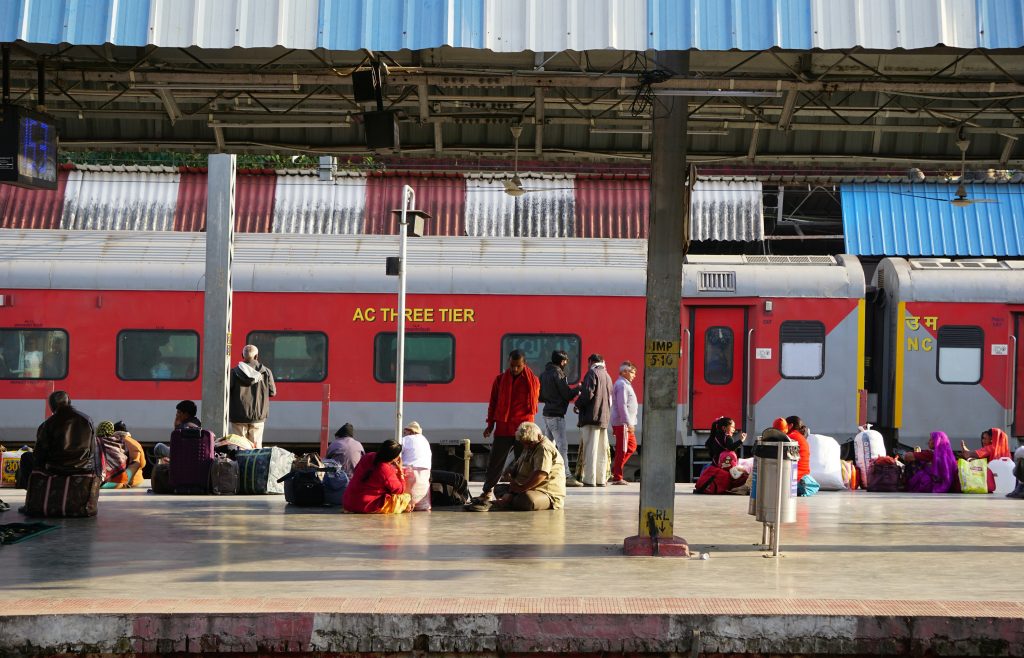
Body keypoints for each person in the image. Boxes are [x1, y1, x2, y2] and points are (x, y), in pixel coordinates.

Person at [475, 350, 540, 505]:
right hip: (503, 427)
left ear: (524, 364)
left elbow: (533, 406)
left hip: (523, 430)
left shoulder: (533, 381)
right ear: (508, 363)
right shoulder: (499, 380)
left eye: (518, 366)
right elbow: (493, 404)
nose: (515, 369)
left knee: (523, 463)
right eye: (512, 365)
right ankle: (487, 491)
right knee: (495, 461)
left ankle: (519, 492)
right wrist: (490, 424)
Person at [470, 422, 565, 512]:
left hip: (545, 492)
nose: (527, 446)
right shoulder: (529, 445)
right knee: (498, 488)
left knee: (527, 500)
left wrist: (521, 489)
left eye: (529, 443)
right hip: (525, 488)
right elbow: (517, 466)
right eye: (524, 443)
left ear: (539, 436)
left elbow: (541, 474)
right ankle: (508, 499)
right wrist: (510, 472)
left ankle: (506, 501)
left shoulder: (543, 448)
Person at [538, 350, 581, 487]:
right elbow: (567, 394)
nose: (566, 364)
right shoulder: (558, 373)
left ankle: (546, 471)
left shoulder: (544, 374)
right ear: (562, 361)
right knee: (562, 446)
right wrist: (578, 388)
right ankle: (566, 475)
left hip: (547, 413)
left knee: (549, 445)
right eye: (566, 361)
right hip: (556, 414)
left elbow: (540, 396)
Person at [31, 391, 96, 475]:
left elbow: (40, 452)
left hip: (56, 469)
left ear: (52, 406)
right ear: (69, 402)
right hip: (83, 468)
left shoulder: (48, 423)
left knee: (26, 457)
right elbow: (93, 449)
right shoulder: (87, 420)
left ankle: (34, 487)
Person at [342, 439, 411, 514]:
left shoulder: (368, 456)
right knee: (405, 497)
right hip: (364, 505)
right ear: (394, 458)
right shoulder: (385, 469)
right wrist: (400, 471)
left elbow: (356, 471)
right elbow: (400, 490)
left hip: (348, 502)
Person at [575, 353, 613, 487]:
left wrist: (577, 404)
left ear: (591, 362)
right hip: (603, 418)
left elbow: (587, 394)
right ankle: (601, 479)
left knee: (590, 449)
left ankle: (589, 480)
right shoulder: (607, 376)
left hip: (591, 417)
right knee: (601, 450)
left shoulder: (592, 373)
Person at [229, 344, 276, 448]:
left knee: (239, 447)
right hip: (258, 416)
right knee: (255, 448)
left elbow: (228, 391)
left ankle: (240, 464)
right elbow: (272, 392)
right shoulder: (266, 372)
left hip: (238, 416)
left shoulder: (233, 373)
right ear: (256, 356)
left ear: (242, 355)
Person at [610, 360, 639, 485]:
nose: (634, 375)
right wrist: (628, 423)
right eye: (632, 372)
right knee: (622, 449)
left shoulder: (625, 384)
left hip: (625, 423)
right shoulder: (622, 385)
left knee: (631, 446)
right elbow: (622, 406)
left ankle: (615, 470)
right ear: (625, 372)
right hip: (623, 423)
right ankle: (617, 476)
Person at [97, 420, 146, 489]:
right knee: (136, 464)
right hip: (131, 480)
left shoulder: (94, 443)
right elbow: (142, 464)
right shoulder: (133, 443)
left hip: (100, 479)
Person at [400, 421, 432, 511]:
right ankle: (422, 505)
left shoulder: (406, 439)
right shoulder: (425, 440)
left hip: (410, 471)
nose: (404, 434)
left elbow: (396, 455)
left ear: (410, 431)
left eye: (405, 431)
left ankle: (407, 505)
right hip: (425, 472)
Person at [784, 415, 817, 497]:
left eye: (784, 426)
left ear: (790, 426)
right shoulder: (801, 438)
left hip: (794, 480)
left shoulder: (790, 437)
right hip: (804, 477)